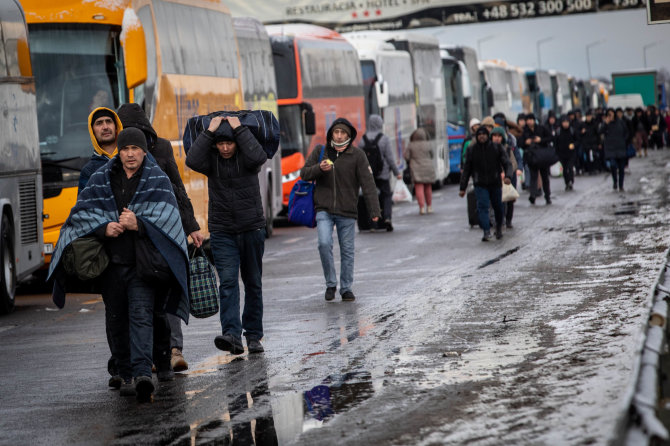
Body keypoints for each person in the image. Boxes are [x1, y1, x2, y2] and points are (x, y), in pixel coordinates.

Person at [49, 127, 190, 400]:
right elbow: (81, 215)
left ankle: (141, 375)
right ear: (119, 151)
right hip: (111, 265)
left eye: (135, 149)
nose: (129, 154)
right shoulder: (102, 178)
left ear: (143, 151)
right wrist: (104, 228)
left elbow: (168, 219)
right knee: (116, 320)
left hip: (142, 265)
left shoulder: (156, 180)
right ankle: (125, 372)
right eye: (125, 149)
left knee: (140, 316)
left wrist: (140, 224)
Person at [117, 103, 204, 373]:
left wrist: (191, 226)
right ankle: (149, 356)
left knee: (169, 288)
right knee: (142, 303)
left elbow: (178, 188)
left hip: (165, 230)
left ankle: (174, 350)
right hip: (133, 236)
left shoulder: (162, 148)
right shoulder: (116, 156)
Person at [186, 116, 267, 355]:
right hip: (222, 232)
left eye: (229, 143)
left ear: (236, 142)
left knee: (253, 283)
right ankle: (232, 334)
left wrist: (239, 129)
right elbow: (192, 159)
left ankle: (253, 335)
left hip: (252, 228)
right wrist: (210, 131)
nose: (224, 148)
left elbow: (259, 156)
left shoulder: (248, 159)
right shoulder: (211, 161)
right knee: (228, 282)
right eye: (220, 144)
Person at [300, 118, 380, 302]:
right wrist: (319, 168)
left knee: (347, 250)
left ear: (349, 135)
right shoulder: (321, 151)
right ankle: (330, 284)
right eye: (336, 132)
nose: (339, 136)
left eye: (343, 133)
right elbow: (304, 173)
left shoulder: (357, 155)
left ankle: (346, 288)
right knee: (323, 243)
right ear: (331, 134)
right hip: (323, 209)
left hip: (347, 210)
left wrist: (374, 211)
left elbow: (368, 184)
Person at [458, 126, 513, 241]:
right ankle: (486, 230)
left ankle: (498, 227)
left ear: (487, 136)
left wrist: (508, 176)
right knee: (482, 207)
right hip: (480, 183)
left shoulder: (496, 148)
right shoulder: (472, 150)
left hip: (495, 182)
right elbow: (467, 169)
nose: (481, 136)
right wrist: (462, 187)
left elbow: (507, 163)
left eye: (484, 134)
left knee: (498, 207)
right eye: (479, 134)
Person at [359, 114, 401, 231]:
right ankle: (387, 218)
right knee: (386, 196)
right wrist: (397, 172)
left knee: (371, 199)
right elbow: (390, 158)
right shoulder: (384, 139)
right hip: (383, 174)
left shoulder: (363, 140)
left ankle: (373, 224)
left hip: (368, 175)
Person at [78, 107, 123, 191]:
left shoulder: (132, 158)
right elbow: (84, 203)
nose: (105, 127)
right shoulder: (89, 171)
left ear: (116, 127)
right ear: (92, 131)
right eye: (99, 123)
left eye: (109, 121)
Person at [490, 126, 522, 228]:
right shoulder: (488, 149)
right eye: (494, 136)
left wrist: (506, 173)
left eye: (499, 136)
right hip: (494, 179)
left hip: (507, 178)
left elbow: (513, 163)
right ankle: (499, 220)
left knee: (509, 200)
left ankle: (508, 220)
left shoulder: (507, 149)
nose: (497, 138)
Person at [521, 113, 553, 205]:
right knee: (533, 176)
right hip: (531, 157)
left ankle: (547, 195)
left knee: (545, 177)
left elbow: (550, 138)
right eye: (528, 120)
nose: (530, 121)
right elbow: (520, 143)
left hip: (542, 156)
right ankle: (533, 195)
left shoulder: (541, 128)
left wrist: (540, 140)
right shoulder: (524, 131)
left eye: (531, 119)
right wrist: (526, 142)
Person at [404, 128, 436, 215]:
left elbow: (406, 157)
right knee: (428, 187)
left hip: (416, 168)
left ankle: (421, 208)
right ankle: (429, 207)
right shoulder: (428, 144)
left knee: (419, 187)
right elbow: (432, 155)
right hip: (428, 167)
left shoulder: (411, 145)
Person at [602, 108, 630, 192]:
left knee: (621, 168)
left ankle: (621, 185)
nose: (611, 116)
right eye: (609, 114)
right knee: (613, 166)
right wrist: (605, 124)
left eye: (612, 114)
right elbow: (600, 131)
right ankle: (615, 181)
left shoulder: (620, 122)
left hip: (620, 147)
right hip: (611, 149)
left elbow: (627, 132)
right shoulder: (605, 124)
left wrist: (624, 141)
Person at [555, 116, 577, 191]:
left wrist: (574, 145)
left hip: (571, 153)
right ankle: (567, 182)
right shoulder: (558, 131)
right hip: (562, 154)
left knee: (570, 167)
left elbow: (577, 140)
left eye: (567, 122)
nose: (565, 124)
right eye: (564, 122)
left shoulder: (572, 130)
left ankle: (571, 180)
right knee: (564, 169)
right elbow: (556, 143)